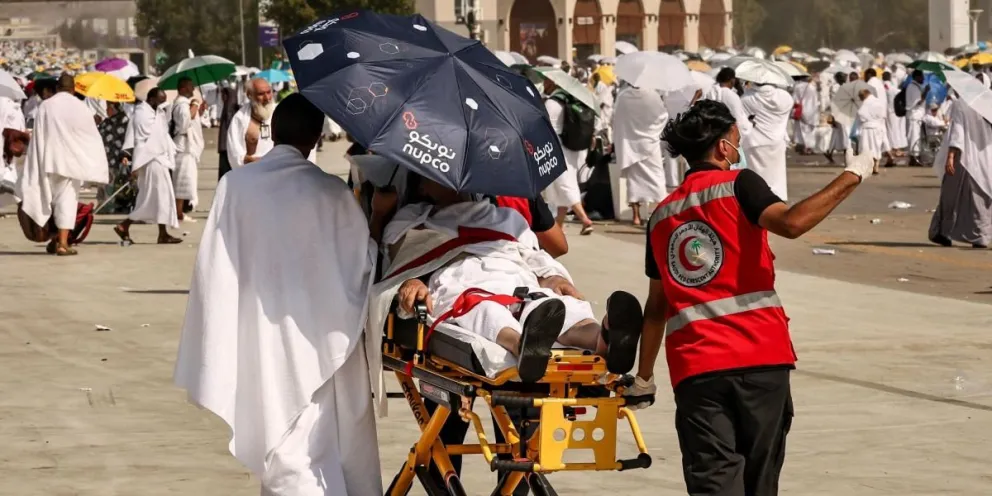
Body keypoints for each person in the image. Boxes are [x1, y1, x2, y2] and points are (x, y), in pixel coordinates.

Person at [626, 100, 876, 496]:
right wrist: (852, 175)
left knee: (714, 481)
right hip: (761, 358)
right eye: (736, 141)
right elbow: (792, 223)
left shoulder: (660, 216)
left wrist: (643, 377)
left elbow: (656, 309)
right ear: (723, 148)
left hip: (697, 366)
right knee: (761, 481)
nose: (738, 149)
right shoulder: (740, 183)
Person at [174, 93, 381, 496]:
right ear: (317, 138)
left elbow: (214, 267)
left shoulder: (235, 186)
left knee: (279, 428)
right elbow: (363, 262)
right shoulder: (333, 193)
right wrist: (380, 216)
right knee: (317, 435)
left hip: (261, 329)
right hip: (321, 332)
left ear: (274, 133)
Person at [388, 177, 644, 382]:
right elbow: (400, 263)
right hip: (462, 283)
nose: (455, 182)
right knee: (483, 310)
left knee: (551, 304)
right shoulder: (412, 221)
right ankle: (523, 345)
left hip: (514, 277)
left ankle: (602, 337)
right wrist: (412, 282)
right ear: (422, 186)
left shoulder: (504, 217)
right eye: (441, 177)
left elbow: (532, 255)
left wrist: (552, 277)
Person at [15, 74, 109, 255]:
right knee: (66, 202)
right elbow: (90, 137)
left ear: (58, 88)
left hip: (49, 159)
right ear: (74, 89)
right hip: (71, 162)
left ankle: (54, 239)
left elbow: (39, 135)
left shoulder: (46, 106)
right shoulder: (82, 108)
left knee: (45, 199)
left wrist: (35, 161)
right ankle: (62, 243)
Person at [113, 88, 183, 244]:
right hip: (150, 159)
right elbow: (144, 137)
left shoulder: (156, 112)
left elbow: (162, 133)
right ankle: (125, 225)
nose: (162, 103)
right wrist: (130, 157)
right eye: (160, 99)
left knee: (158, 197)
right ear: (151, 98)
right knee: (155, 197)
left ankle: (162, 233)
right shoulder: (141, 114)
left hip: (158, 158)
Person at [928, 99, 992, 249]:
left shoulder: (961, 104)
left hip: (964, 159)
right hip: (985, 158)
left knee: (951, 196)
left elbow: (958, 131)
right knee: (980, 197)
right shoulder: (987, 103)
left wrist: (951, 155)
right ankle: (980, 235)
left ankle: (943, 232)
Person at [542, 77, 596, 234]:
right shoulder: (570, 100)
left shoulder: (552, 103)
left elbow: (546, 127)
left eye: (546, 82)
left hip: (557, 146)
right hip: (571, 147)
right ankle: (558, 225)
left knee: (564, 183)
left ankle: (585, 219)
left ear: (553, 83)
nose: (544, 84)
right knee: (564, 183)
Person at [613, 84, 670, 226]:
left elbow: (617, 118)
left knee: (634, 181)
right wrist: (651, 131)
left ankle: (636, 217)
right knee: (657, 178)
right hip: (649, 143)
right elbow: (663, 117)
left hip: (631, 144)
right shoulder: (653, 95)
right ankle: (661, 212)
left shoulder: (623, 96)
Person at [741, 83, 794, 201]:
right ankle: (777, 201)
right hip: (777, 142)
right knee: (776, 176)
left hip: (754, 142)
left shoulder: (747, 98)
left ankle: (757, 201)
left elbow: (743, 119)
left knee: (756, 177)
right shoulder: (785, 97)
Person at [171, 77, 205, 221]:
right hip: (183, 146)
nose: (193, 89)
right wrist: (195, 105)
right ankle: (178, 213)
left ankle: (180, 211)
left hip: (187, 147)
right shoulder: (181, 104)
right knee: (181, 181)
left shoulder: (185, 104)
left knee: (186, 180)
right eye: (191, 87)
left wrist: (199, 110)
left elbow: (193, 120)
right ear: (183, 88)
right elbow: (184, 123)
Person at [226, 77, 276, 168]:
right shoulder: (240, 118)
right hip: (251, 171)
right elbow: (234, 152)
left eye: (269, 92)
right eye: (261, 94)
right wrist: (248, 160)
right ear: (249, 95)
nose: (267, 98)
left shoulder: (279, 113)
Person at [97, 101, 135, 213]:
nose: (106, 110)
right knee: (112, 183)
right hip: (114, 159)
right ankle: (110, 206)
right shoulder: (125, 121)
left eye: (108, 107)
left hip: (113, 159)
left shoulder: (116, 122)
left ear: (113, 108)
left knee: (111, 184)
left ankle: (108, 207)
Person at [703, 68, 753, 137]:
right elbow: (738, 121)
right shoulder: (732, 96)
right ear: (732, 80)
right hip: (727, 135)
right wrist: (749, 124)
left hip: (710, 134)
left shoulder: (709, 92)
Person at [855, 88, 894, 174]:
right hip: (878, 127)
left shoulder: (865, 104)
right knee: (876, 147)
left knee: (866, 148)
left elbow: (861, 115)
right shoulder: (879, 102)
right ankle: (876, 166)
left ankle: (868, 167)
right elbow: (883, 115)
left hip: (867, 129)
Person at [905, 70, 930, 166]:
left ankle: (914, 158)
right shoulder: (913, 87)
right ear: (916, 77)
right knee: (914, 137)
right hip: (914, 116)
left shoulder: (915, 87)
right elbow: (918, 101)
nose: (923, 79)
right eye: (921, 77)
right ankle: (914, 158)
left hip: (916, 116)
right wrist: (926, 92)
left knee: (915, 137)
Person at [791, 75, 819, 155]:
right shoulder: (812, 87)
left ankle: (804, 147)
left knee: (802, 130)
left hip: (801, 110)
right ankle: (809, 147)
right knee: (810, 131)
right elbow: (816, 100)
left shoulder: (797, 87)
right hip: (812, 111)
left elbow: (794, 100)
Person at [883, 71, 908, 157]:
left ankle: (889, 149)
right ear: (889, 78)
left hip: (885, 112)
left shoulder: (882, 86)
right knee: (893, 130)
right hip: (892, 112)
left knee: (888, 131)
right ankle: (895, 149)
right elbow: (897, 93)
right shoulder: (889, 86)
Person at [216, 86, 239, 180]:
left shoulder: (230, 108)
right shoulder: (228, 107)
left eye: (223, 95)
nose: (222, 97)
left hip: (227, 147)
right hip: (226, 146)